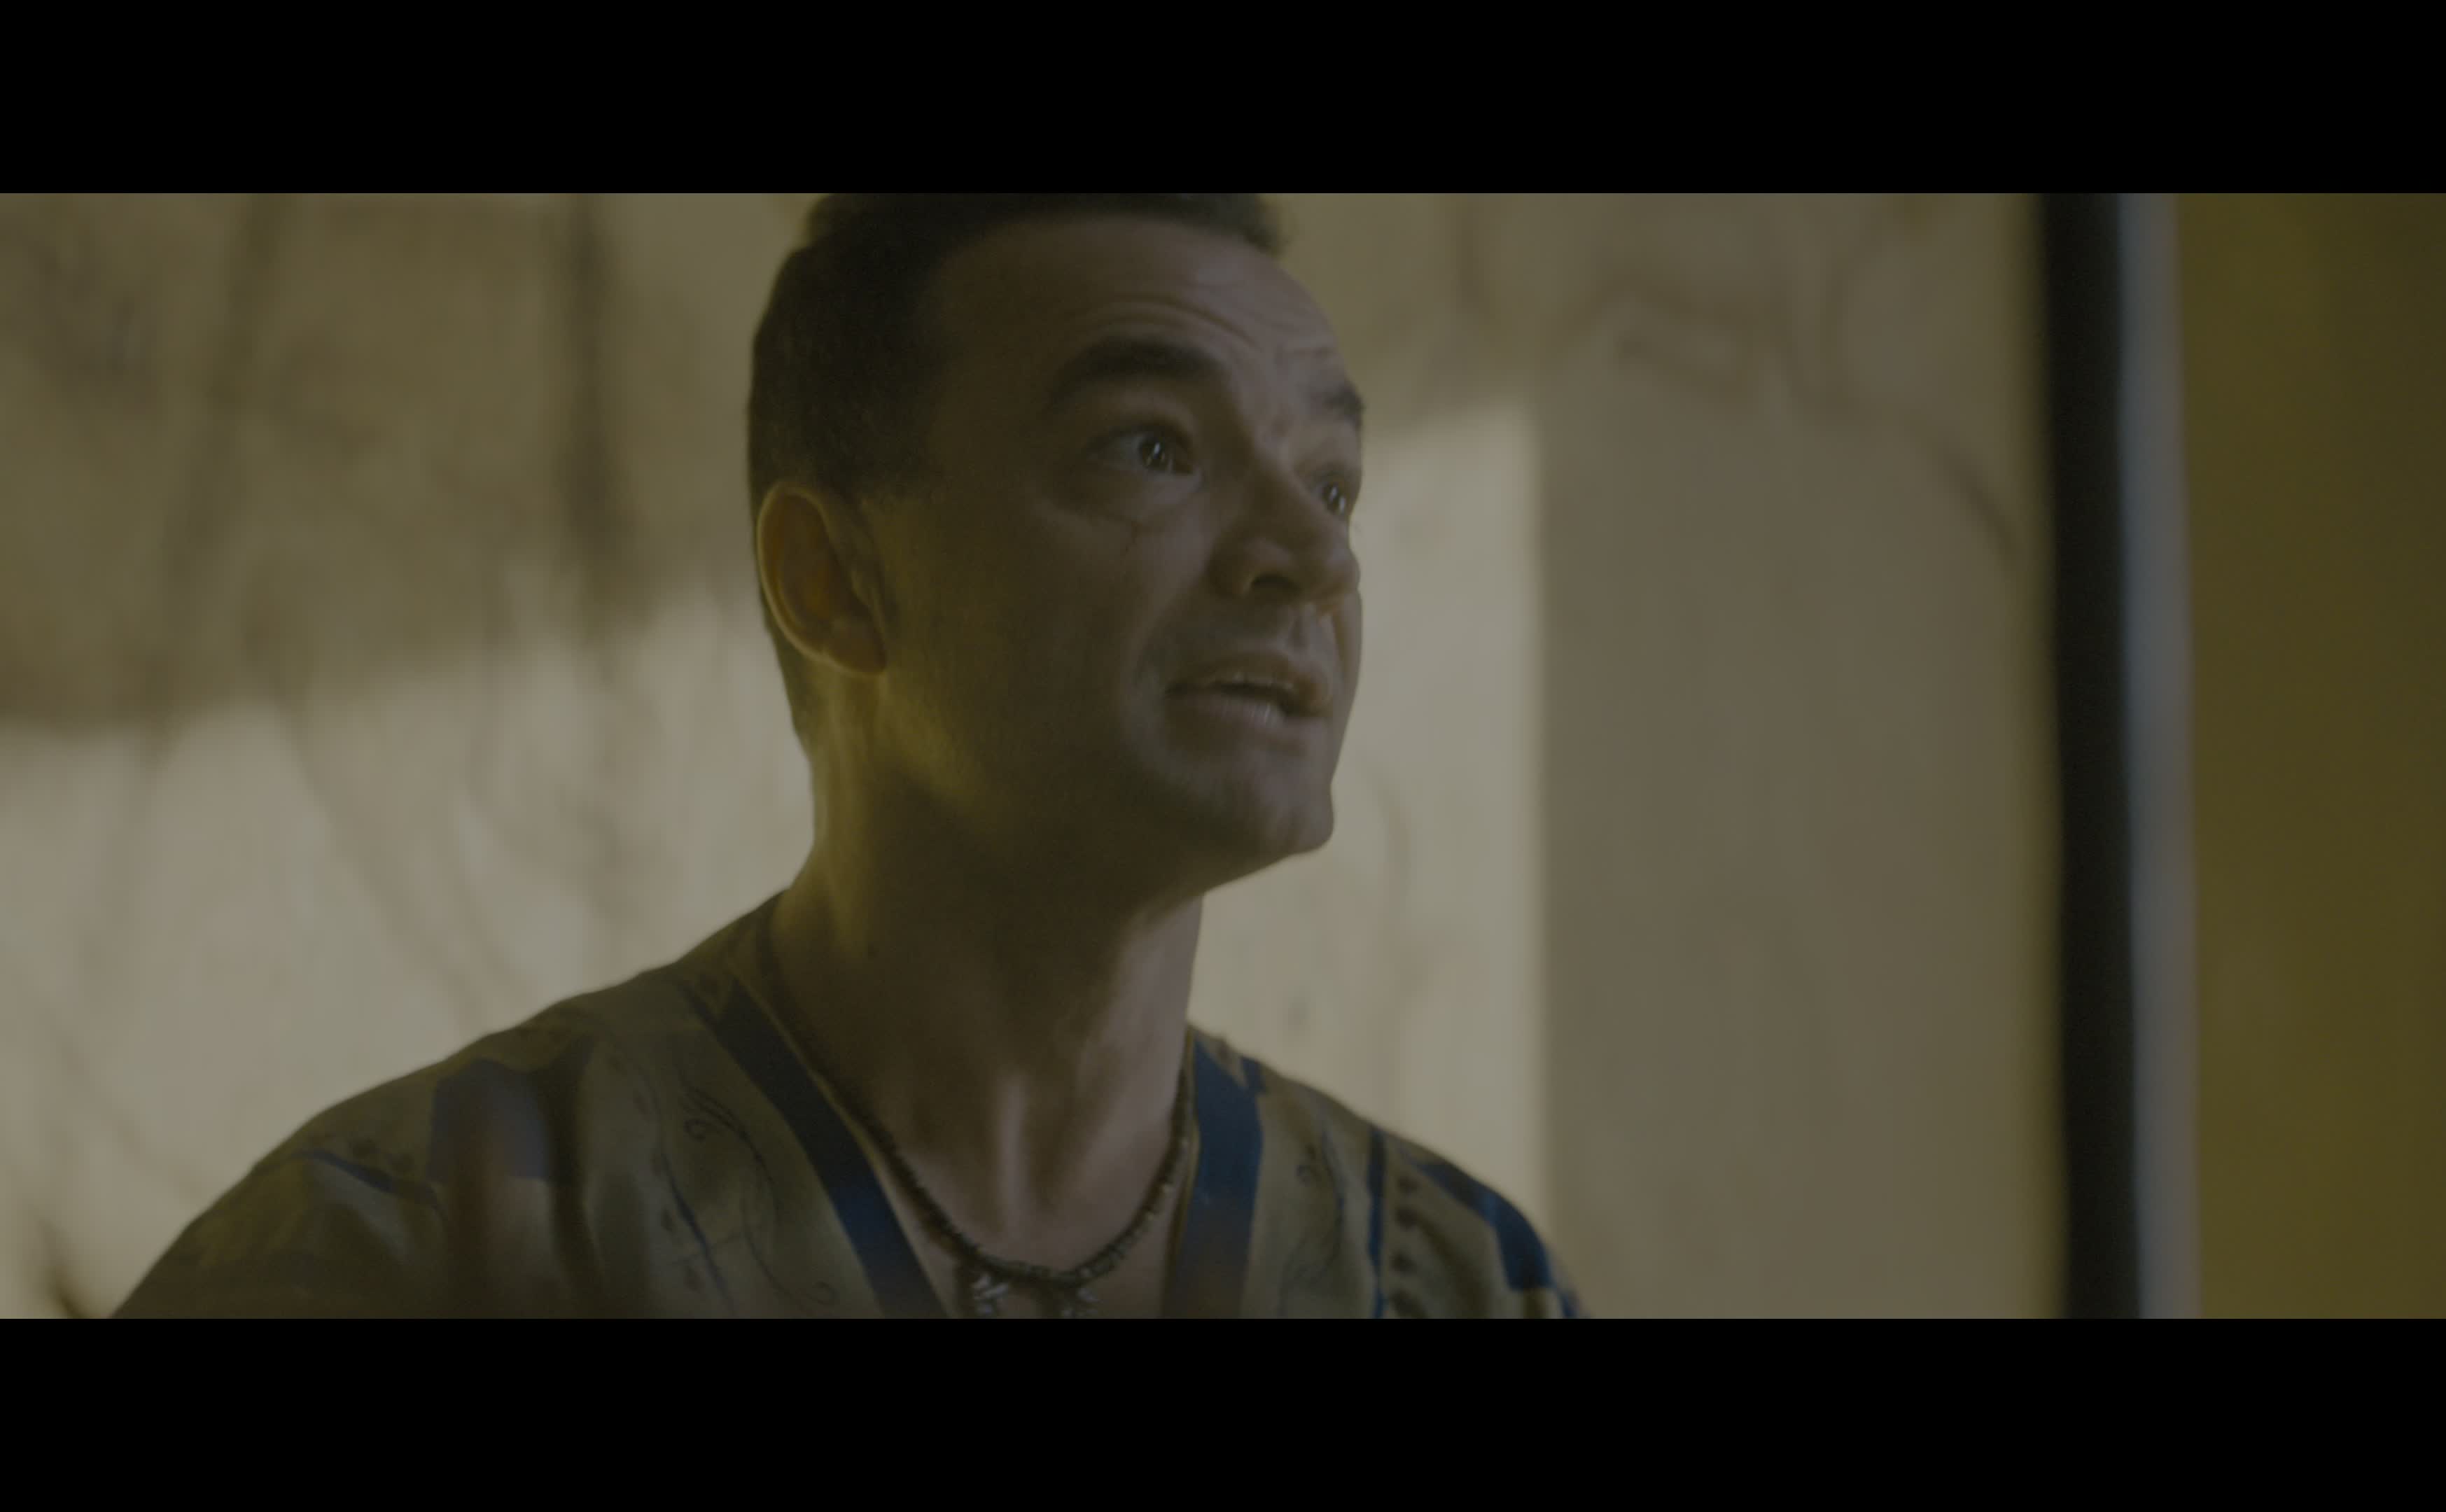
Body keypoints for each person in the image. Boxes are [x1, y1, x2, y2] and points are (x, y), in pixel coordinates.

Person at [116, 193, 1581, 1319]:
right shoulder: (419, 1250)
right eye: (1151, 447)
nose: (1312, 558)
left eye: (1332, 482)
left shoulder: (1452, 1282)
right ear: (832, 579)